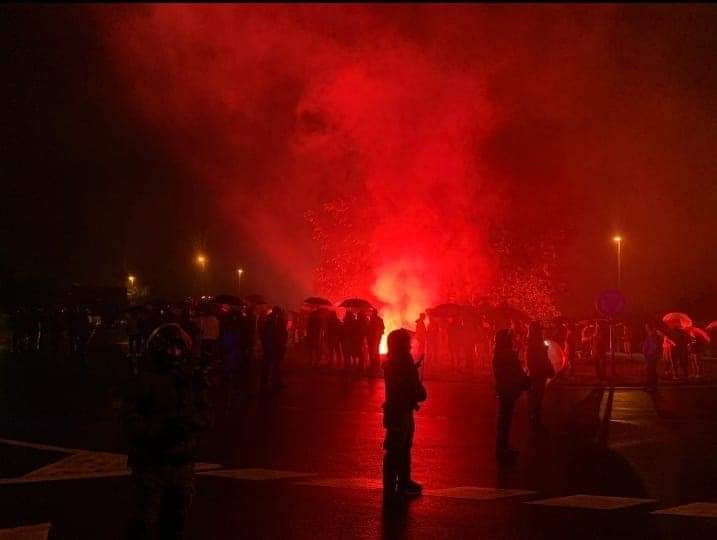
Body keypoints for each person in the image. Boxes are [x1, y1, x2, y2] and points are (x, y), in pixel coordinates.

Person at [121, 323, 213, 540]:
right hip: (150, 464)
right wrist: (158, 431)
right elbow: (129, 419)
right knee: (144, 521)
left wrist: (188, 423)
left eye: (178, 349)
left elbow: (207, 414)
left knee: (175, 523)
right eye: (169, 348)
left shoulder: (191, 380)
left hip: (181, 464)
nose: (173, 354)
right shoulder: (143, 379)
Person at [382, 329, 427, 504]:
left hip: (399, 410)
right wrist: (419, 391)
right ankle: (393, 486)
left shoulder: (394, 362)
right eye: (407, 341)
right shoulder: (402, 363)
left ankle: (400, 482)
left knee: (402, 446)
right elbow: (409, 386)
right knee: (397, 448)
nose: (410, 344)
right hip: (400, 411)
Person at [492, 329, 529, 463]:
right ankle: (503, 450)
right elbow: (517, 371)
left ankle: (502, 448)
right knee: (505, 421)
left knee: (504, 421)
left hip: (503, 389)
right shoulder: (508, 354)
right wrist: (527, 381)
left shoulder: (498, 353)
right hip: (508, 390)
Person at [526, 321, 553, 432]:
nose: (542, 331)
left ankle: (533, 421)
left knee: (534, 398)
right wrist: (549, 369)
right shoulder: (536, 343)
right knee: (537, 398)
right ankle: (535, 423)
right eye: (540, 330)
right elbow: (541, 360)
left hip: (534, 373)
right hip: (538, 374)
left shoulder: (531, 342)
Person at [260, 306, 288, 391]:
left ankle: (270, 382)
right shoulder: (274, 322)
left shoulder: (271, 321)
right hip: (274, 346)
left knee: (271, 365)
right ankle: (272, 382)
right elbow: (281, 334)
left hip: (273, 346)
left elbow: (282, 334)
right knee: (273, 365)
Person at [642, 323, 660, 392]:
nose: (645, 328)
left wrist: (650, 353)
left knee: (651, 371)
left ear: (650, 327)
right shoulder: (650, 335)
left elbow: (654, 346)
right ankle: (651, 385)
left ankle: (651, 386)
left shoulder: (653, 335)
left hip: (651, 355)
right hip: (650, 355)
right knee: (651, 371)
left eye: (646, 327)